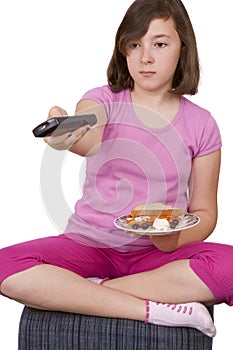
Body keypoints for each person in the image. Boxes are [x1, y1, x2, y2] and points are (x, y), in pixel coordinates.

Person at [0, 0, 232, 338]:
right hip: (89, 247)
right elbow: (89, 137)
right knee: (5, 264)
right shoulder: (102, 99)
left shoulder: (202, 124)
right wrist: (67, 136)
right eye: (134, 44)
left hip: (159, 256)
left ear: (183, 47)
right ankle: (153, 309)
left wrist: (172, 238)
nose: (145, 57)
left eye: (160, 44)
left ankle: (90, 291)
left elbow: (204, 213)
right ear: (122, 50)